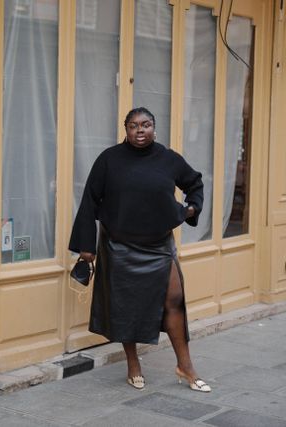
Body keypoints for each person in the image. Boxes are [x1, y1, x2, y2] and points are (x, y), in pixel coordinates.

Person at [69, 107, 211, 392]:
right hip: (119, 246)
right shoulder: (109, 160)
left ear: (154, 128)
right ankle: (133, 364)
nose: (140, 130)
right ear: (126, 130)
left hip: (159, 246)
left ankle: (186, 366)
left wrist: (192, 208)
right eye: (133, 125)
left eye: (146, 125)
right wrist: (86, 248)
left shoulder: (168, 159)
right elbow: (89, 200)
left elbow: (194, 182)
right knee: (125, 309)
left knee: (175, 301)